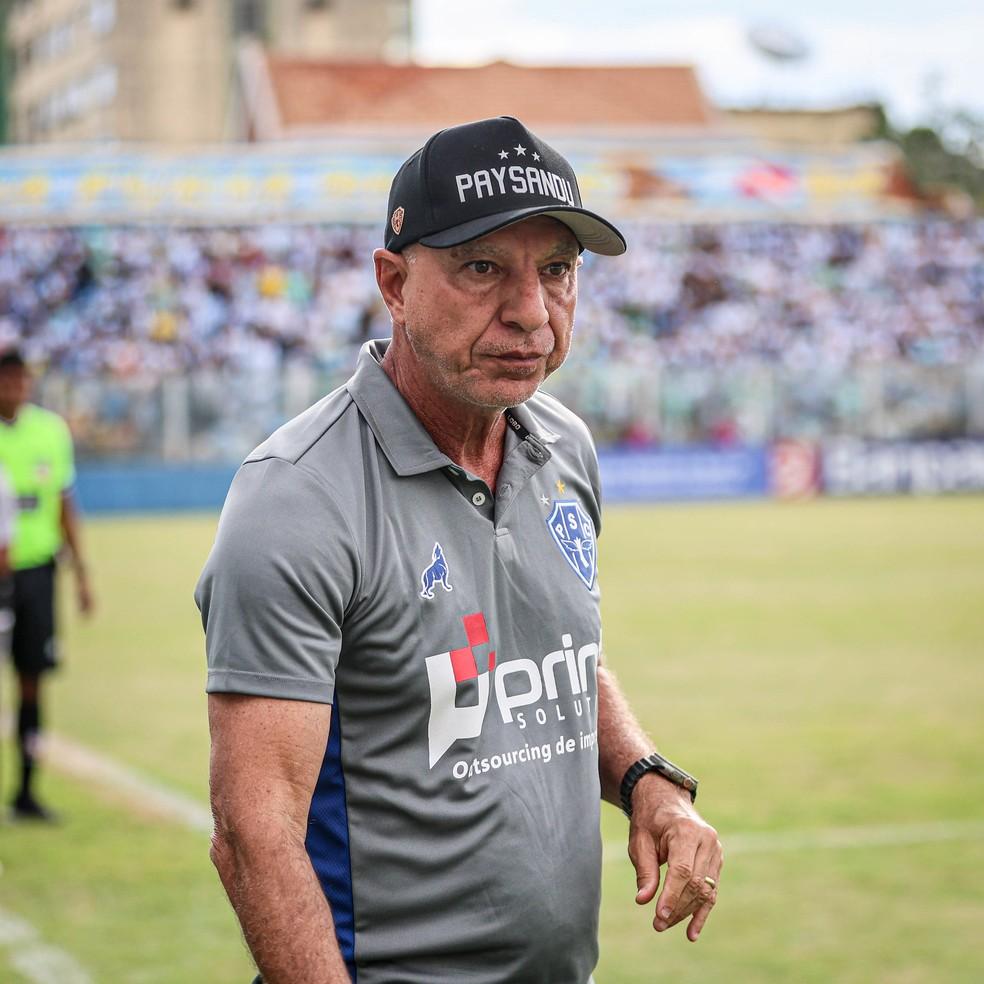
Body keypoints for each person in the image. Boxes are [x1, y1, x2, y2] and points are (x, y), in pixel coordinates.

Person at [197, 116, 722, 984]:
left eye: (555, 271)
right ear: (394, 284)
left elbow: (555, 656)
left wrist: (646, 782)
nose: (529, 311)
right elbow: (254, 835)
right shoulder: (297, 496)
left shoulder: (564, 447)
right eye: (483, 268)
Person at [0, 349, 93, 821]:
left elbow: (63, 502)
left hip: (36, 573)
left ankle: (26, 790)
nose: (14, 387)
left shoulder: (50, 432)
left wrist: (81, 573)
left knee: (33, 680)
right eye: (7, 379)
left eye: (20, 378)